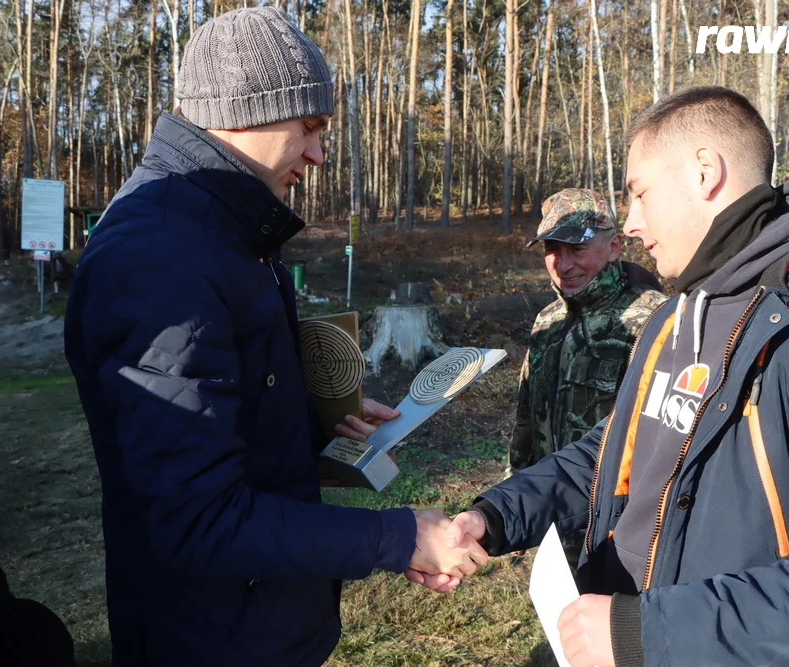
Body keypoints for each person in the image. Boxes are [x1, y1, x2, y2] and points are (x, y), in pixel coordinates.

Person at [412, 86, 789, 667]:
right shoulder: (679, 314)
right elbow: (618, 449)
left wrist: (644, 630)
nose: (632, 222)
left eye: (640, 193)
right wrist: (494, 516)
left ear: (705, 173)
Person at [64, 8, 485, 667]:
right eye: (309, 126)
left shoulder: (221, 233)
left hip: (257, 626)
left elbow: (214, 408)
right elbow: (197, 517)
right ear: (245, 111)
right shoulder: (159, 257)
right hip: (209, 638)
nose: (317, 153)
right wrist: (395, 534)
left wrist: (320, 419)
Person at [509, 188, 665, 559]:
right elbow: (527, 420)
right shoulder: (547, 321)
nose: (562, 264)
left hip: (619, 533)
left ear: (614, 247)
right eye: (552, 249)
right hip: (553, 524)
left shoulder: (655, 321)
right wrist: (516, 496)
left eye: (576, 249)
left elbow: (664, 443)